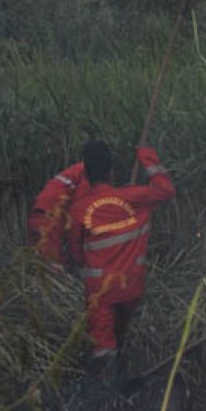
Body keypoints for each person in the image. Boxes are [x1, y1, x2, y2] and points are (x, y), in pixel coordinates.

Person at [67, 141, 175, 369]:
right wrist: (146, 154)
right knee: (123, 336)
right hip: (131, 288)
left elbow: (76, 254)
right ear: (112, 171)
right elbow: (166, 190)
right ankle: (126, 372)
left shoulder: (79, 209)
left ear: (86, 174)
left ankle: (109, 391)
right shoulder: (133, 198)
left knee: (104, 350)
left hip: (100, 294)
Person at [28, 159, 87, 268]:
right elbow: (77, 220)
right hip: (50, 222)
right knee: (51, 270)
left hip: (39, 216)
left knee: (40, 267)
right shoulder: (88, 175)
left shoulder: (76, 171)